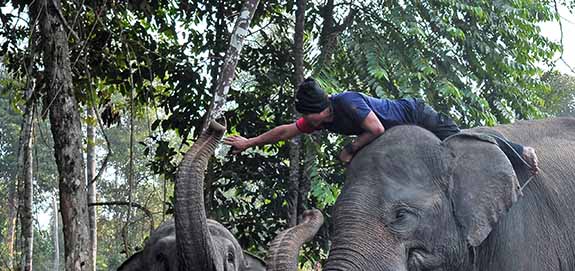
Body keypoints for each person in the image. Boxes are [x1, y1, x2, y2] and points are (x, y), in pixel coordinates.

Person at [224, 77, 539, 176]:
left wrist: (349, 149)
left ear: (322, 108)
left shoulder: (347, 102)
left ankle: (518, 152)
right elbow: (285, 131)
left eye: (310, 116)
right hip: (400, 139)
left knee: (461, 140)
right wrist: (249, 142)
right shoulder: (319, 119)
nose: (308, 122)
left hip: (416, 116)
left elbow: (375, 130)